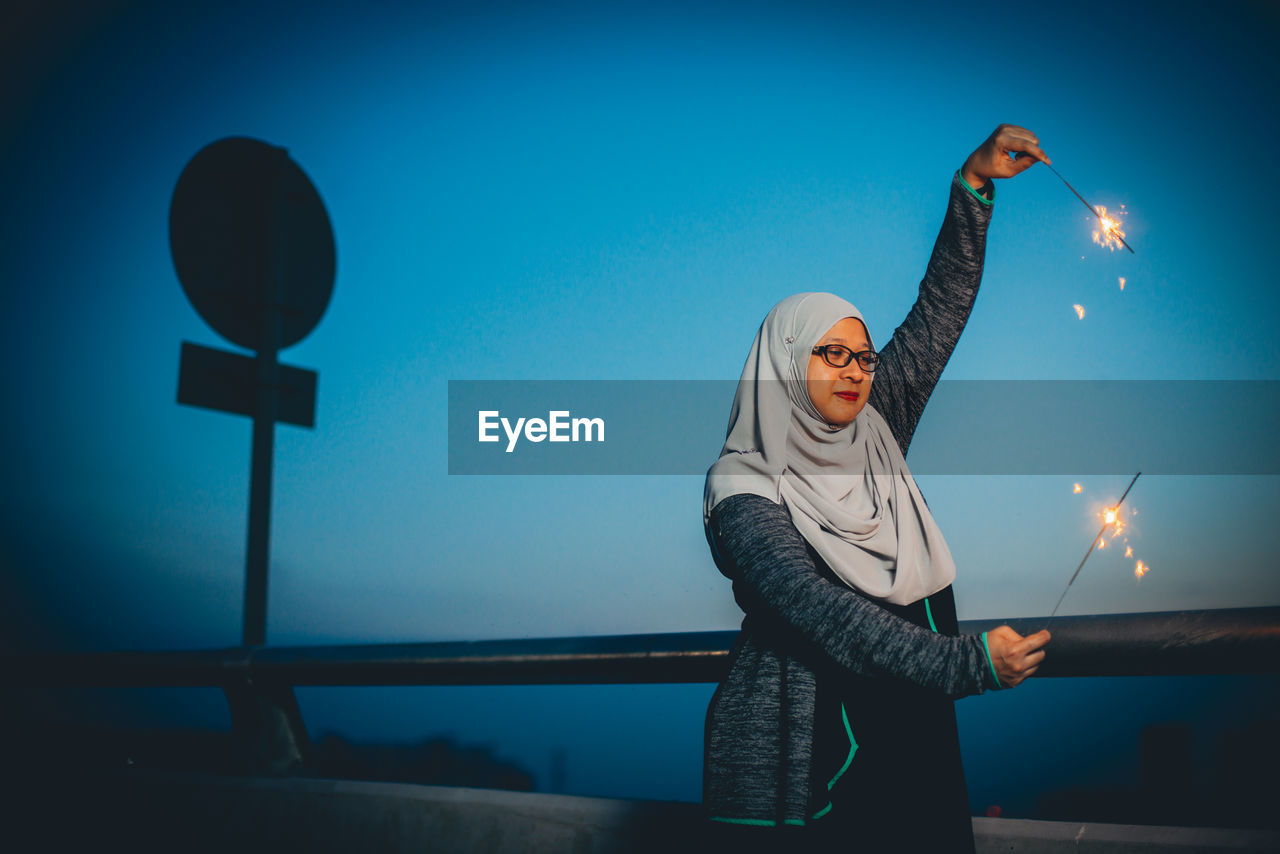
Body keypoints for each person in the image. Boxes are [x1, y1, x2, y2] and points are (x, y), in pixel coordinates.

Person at [701, 125, 1053, 852]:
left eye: (863, 356)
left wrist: (973, 184)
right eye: (831, 353)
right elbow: (819, 611)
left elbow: (938, 312)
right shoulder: (743, 484)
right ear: (786, 362)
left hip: (911, 720)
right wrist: (970, 663)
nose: (856, 369)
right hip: (811, 748)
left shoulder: (876, 429)